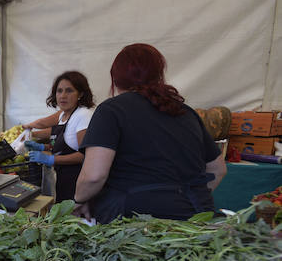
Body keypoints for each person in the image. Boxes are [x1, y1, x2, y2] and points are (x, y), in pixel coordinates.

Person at [74, 43, 227, 223]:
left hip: (135, 221)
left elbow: (93, 176)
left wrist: (79, 200)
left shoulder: (111, 110)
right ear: (159, 75)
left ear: (116, 78)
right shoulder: (186, 112)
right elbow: (218, 169)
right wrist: (185, 198)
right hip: (195, 219)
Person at [21, 71, 96, 202]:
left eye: (69, 91)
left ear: (81, 94)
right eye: (59, 91)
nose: (63, 96)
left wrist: (52, 159)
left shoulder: (83, 115)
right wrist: (42, 146)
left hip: (77, 182)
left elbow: (84, 156)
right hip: (62, 179)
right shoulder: (63, 115)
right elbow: (64, 144)